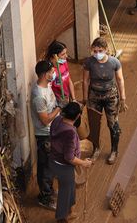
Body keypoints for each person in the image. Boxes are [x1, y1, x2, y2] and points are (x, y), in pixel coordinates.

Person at [81, 37, 127, 164]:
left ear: (106, 50)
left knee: (113, 124)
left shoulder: (114, 62)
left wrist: (123, 98)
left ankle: (114, 150)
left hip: (111, 96)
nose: (97, 54)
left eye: (100, 50)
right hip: (94, 96)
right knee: (94, 123)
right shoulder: (89, 62)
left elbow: (120, 79)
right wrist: (85, 98)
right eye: (94, 51)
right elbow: (85, 80)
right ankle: (96, 148)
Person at [50, 102, 92, 223]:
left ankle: (69, 211)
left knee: (70, 188)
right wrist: (84, 163)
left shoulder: (57, 120)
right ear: (78, 116)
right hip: (64, 166)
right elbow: (69, 157)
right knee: (65, 191)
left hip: (54, 160)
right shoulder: (70, 133)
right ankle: (61, 217)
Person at [31, 60, 62, 211]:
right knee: (46, 168)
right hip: (45, 136)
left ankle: (49, 190)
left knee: (51, 165)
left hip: (52, 132)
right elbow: (44, 120)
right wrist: (58, 109)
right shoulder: (38, 96)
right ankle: (44, 197)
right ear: (44, 74)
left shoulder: (46, 86)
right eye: (51, 71)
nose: (53, 73)